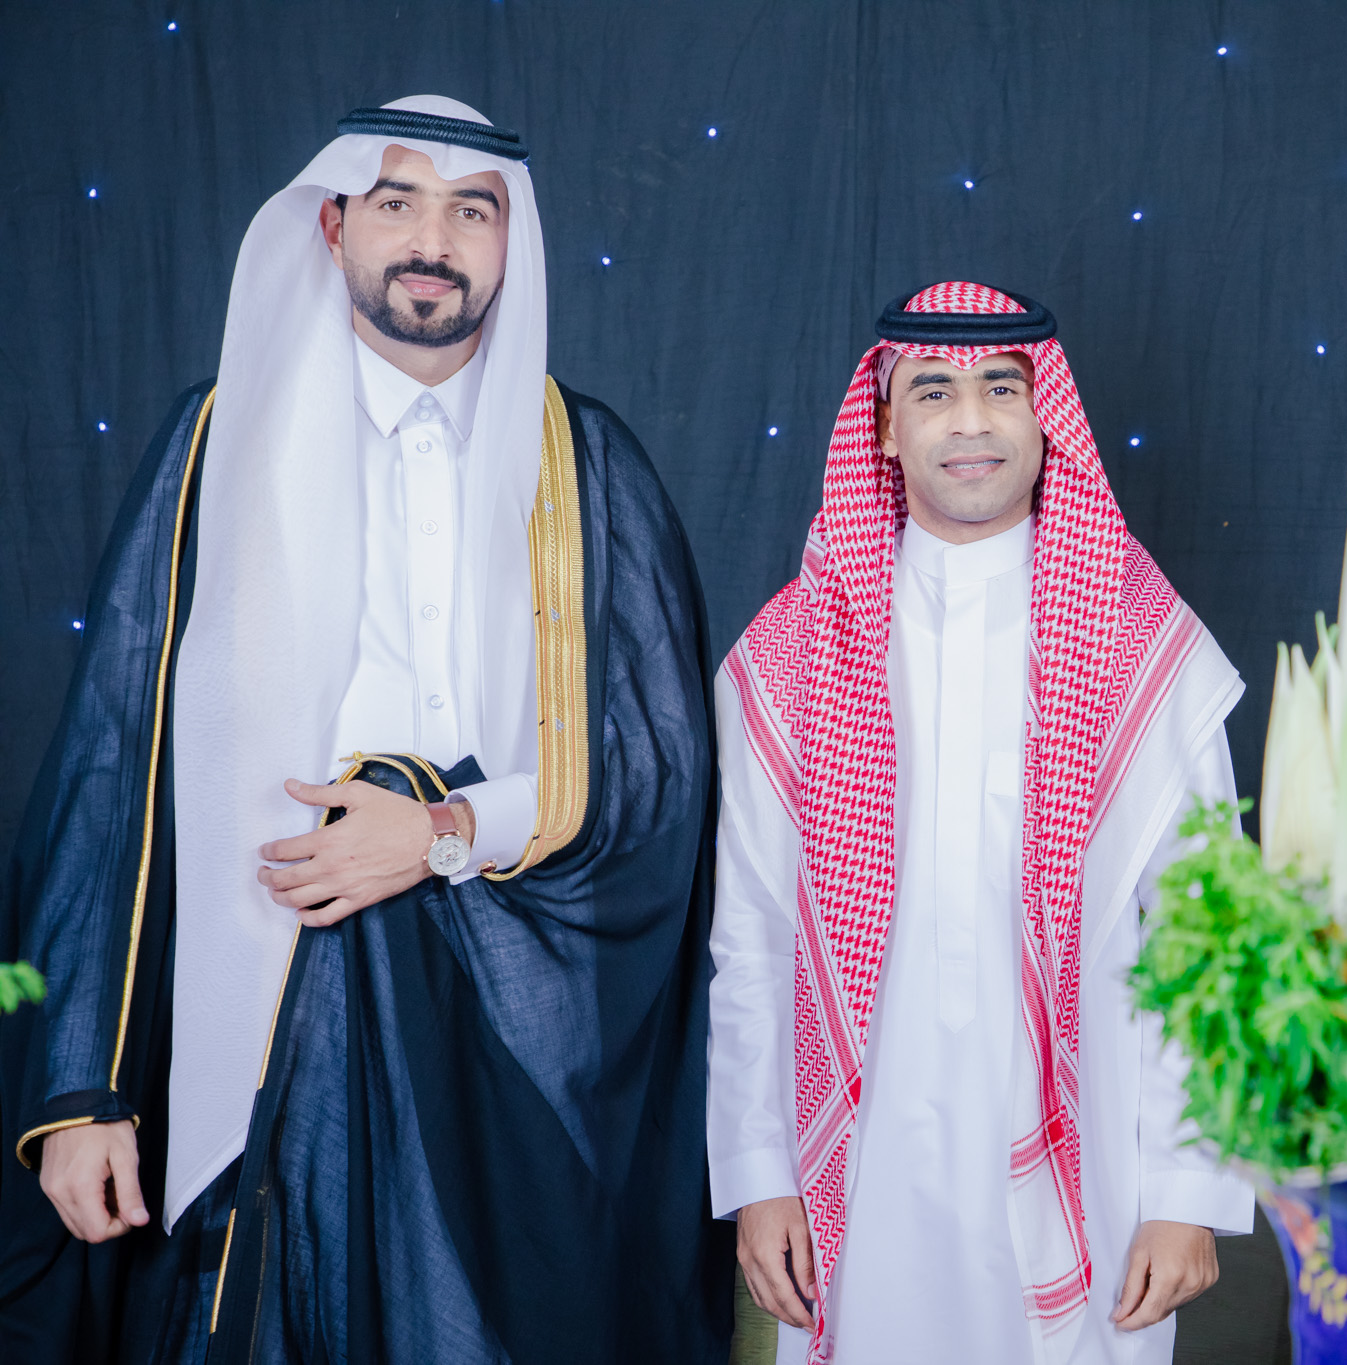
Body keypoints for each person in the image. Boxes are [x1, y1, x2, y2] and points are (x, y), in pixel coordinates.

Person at [0, 97, 732, 1362]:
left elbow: (656, 768)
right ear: (334, 227)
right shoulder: (214, 445)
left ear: (510, 242)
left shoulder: (588, 465)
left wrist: (442, 830)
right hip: (261, 1002)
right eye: (397, 204)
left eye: (470, 211)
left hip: (511, 1027)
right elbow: (111, 771)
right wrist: (79, 1088)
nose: (432, 241)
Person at [708, 282, 1252, 1364]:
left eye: (1002, 388)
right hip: (861, 1161)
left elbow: (1212, 941)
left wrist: (1192, 1188)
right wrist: (759, 1174)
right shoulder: (794, 650)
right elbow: (754, 938)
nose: (970, 420)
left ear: (1045, 418)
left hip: (1098, 1161)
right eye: (933, 391)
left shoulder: (1143, 642)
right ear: (883, 427)